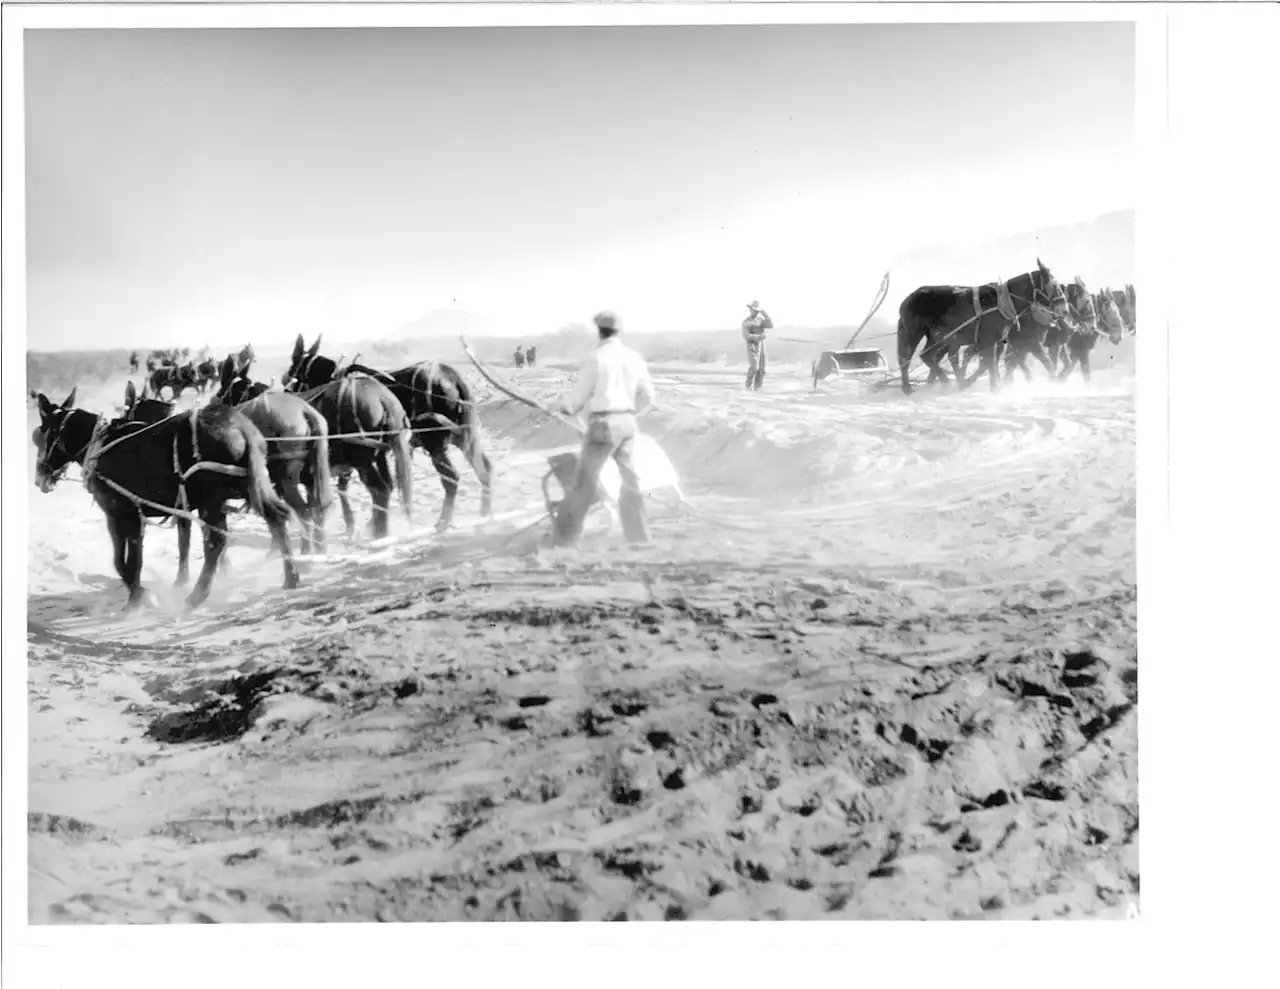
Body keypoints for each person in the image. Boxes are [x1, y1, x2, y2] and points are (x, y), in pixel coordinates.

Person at [552, 310, 655, 547]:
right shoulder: (634, 357)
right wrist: (630, 415)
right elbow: (649, 397)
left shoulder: (597, 358)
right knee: (631, 484)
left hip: (603, 426)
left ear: (599, 331)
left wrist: (565, 407)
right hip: (628, 424)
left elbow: (577, 400)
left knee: (583, 485)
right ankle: (639, 539)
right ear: (619, 331)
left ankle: (564, 541)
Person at [742, 300, 772, 391]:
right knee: (754, 367)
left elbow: (770, 325)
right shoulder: (746, 322)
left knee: (761, 369)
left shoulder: (760, 320)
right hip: (751, 346)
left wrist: (765, 314)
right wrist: (759, 336)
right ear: (750, 310)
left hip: (761, 346)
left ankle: (757, 389)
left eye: (756, 310)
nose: (754, 311)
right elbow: (746, 336)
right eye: (753, 309)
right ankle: (748, 386)